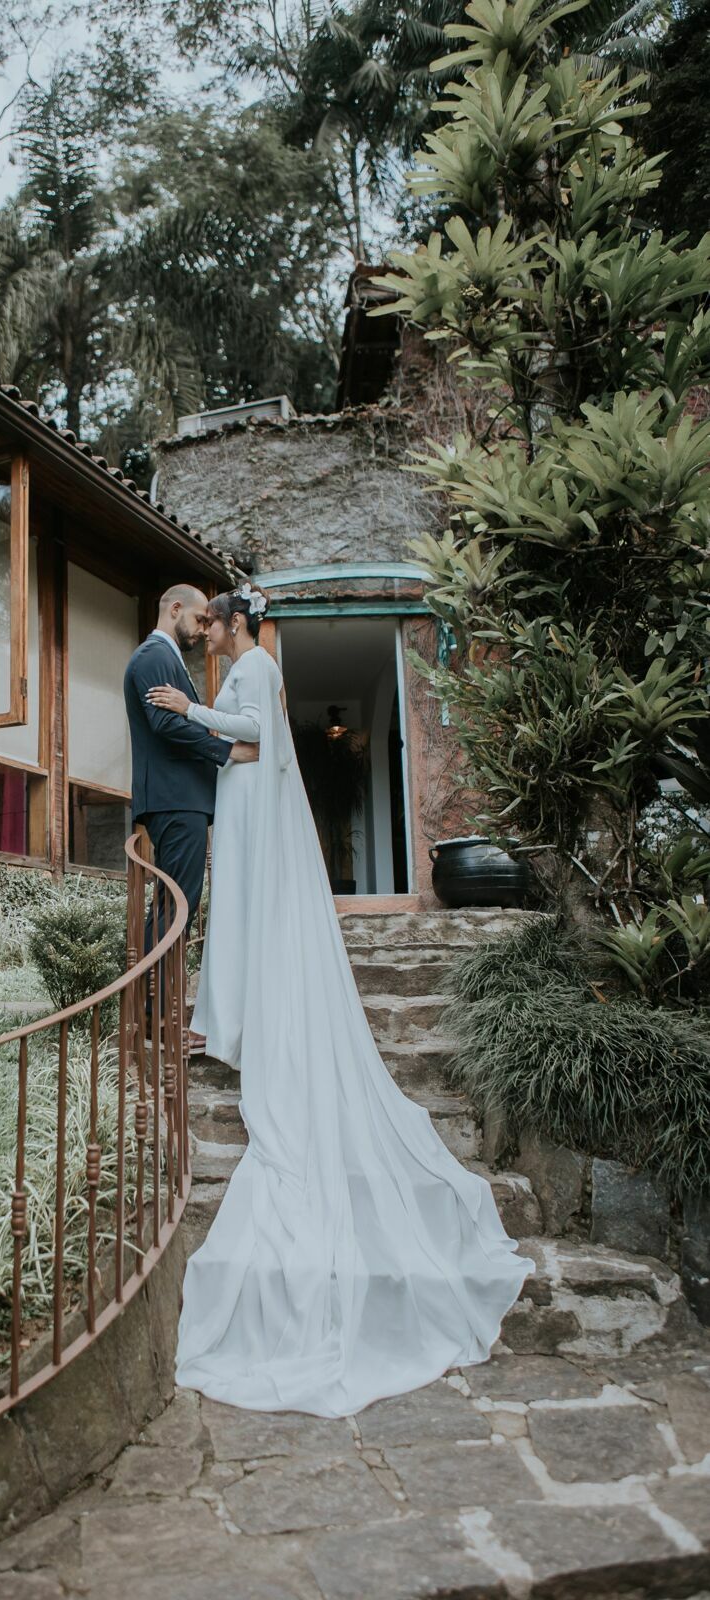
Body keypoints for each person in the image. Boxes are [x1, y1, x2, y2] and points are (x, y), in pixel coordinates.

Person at [146, 584, 534, 1419]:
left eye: (209, 626)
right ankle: (236, 1013)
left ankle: (245, 1019)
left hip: (249, 800)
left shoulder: (250, 664)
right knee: (240, 911)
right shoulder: (249, 662)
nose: (205, 639)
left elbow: (254, 735)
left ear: (229, 623)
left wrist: (191, 709)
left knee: (246, 909)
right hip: (244, 801)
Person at [123, 584, 259, 1046]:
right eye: (200, 619)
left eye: (209, 623)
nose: (204, 629)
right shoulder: (152, 657)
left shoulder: (169, 659)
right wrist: (228, 752)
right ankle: (156, 1020)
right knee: (175, 908)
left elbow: (181, 718)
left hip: (182, 801)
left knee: (174, 906)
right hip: (175, 801)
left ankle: (153, 1013)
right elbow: (166, 724)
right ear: (175, 609)